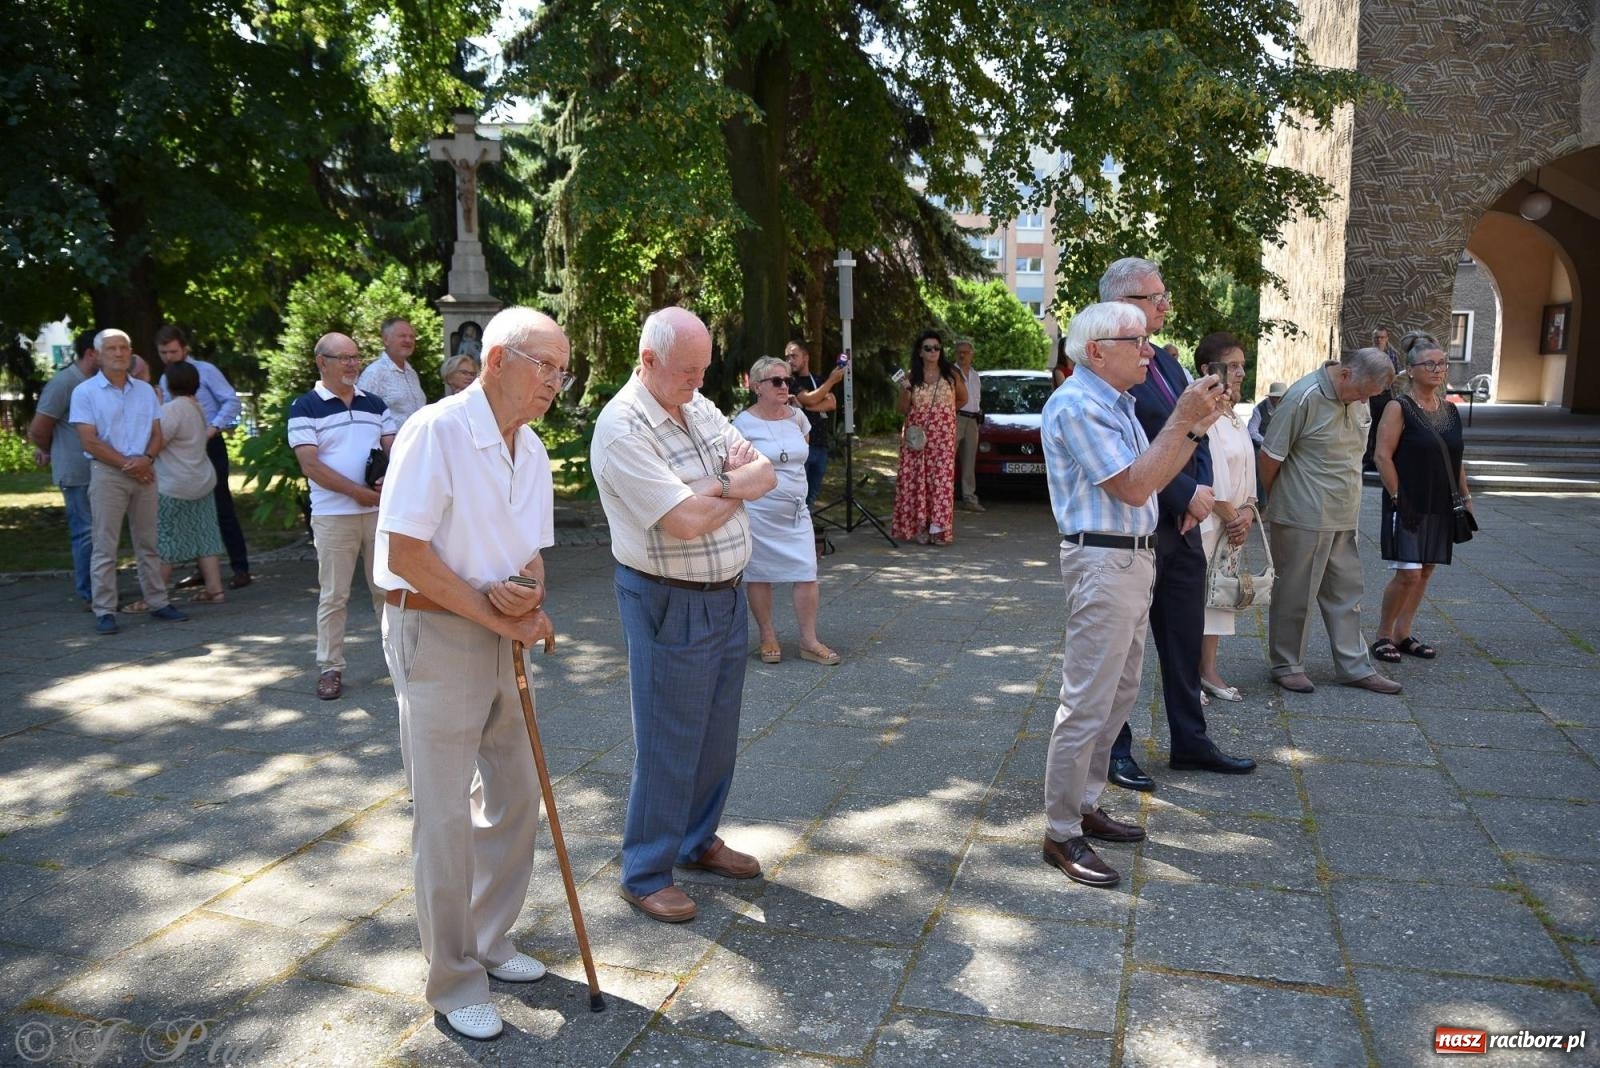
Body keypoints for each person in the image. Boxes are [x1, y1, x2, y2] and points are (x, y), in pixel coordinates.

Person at [373, 307, 566, 1042]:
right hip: (435, 630)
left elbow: (532, 553)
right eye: (543, 364)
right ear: (495, 360)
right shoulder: (438, 430)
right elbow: (407, 552)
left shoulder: (534, 446)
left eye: (561, 368)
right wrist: (501, 614)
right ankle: (453, 979)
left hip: (496, 633)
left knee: (516, 793)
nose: (555, 381)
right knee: (445, 811)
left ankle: (489, 940)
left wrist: (529, 593)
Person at [590, 306, 777, 924]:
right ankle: (645, 871)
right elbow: (684, 521)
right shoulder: (622, 428)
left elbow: (766, 471)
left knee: (717, 735)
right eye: (687, 370)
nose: (700, 382)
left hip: (725, 590)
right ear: (648, 361)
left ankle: (697, 841)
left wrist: (717, 486)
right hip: (670, 597)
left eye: (703, 369)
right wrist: (726, 485)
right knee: (671, 738)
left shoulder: (694, 403)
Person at [1040, 301, 1226, 889]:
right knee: (1087, 700)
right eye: (1137, 340)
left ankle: (1086, 803)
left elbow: (1158, 471)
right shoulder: (1076, 405)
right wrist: (1183, 422)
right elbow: (1133, 485)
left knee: (1118, 694)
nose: (1151, 350)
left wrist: (1192, 425)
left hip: (1132, 556)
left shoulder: (1114, 403)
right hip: (1103, 557)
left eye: (1148, 340)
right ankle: (1060, 830)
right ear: (1096, 350)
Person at [1103, 257, 1254, 788]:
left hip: (1184, 529)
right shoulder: (1109, 367)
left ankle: (1191, 741)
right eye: (1156, 297)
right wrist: (1186, 495)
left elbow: (1200, 428)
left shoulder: (1165, 363)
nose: (1166, 305)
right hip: (1139, 525)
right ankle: (1114, 750)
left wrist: (1203, 491)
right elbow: (1129, 454)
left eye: (1164, 296)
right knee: (1121, 653)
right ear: (1124, 303)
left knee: (1185, 640)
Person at [1260, 347, 1401, 695]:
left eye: (1371, 396)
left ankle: (1353, 666)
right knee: (1296, 594)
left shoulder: (1359, 397)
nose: (1364, 400)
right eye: (1363, 392)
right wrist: (1279, 503)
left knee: (1347, 593)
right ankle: (1287, 664)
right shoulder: (1302, 397)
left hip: (1343, 513)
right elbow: (1269, 458)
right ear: (1345, 373)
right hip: (1301, 514)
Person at [289, 333, 396, 700]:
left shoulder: (375, 403)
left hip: (378, 514)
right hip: (334, 515)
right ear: (322, 362)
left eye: (356, 357)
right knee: (334, 595)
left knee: (386, 588)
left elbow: (393, 449)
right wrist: (362, 493)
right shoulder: (304, 407)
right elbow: (310, 465)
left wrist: (388, 474)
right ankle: (329, 667)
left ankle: (398, 661)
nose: (353, 364)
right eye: (343, 358)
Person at [68, 329, 188, 634]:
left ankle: (158, 602)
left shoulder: (146, 391)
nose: (119, 353)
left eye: (124, 347)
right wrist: (128, 465)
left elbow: (157, 434)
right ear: (96, 355)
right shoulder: (85, 393)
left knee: (148, 541)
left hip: (145, 470)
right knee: (104, 544)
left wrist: (146, 460)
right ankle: (105, 610)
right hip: (109, 473)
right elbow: (89, 441)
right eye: (111, 349)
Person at [1371, 331, 1471, 663]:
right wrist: (1399, 496)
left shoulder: (1451, 411)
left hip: (1440, 501)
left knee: (1426, 569)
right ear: (1410, 370)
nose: (1438, 369)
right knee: (1408, 572)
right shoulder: (1399, 408)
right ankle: (1383, 634)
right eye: (1430, 364)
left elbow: (1456, 458)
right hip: (1408, 500)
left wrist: (1465, 498)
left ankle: (1403, 633)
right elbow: (1382, 456)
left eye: (1443, 363)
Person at [734, 357, 839, 667]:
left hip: (796, 512)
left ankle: (809, 640)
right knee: (759, 575)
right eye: (776, 381)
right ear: (757, 387)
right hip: (760, 513)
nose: (785, 386)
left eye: (787, 380)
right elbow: (737, 468)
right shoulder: (743, 424)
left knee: (807, 572)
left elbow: (798, 457)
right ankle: (768, 636)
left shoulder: (797, 417)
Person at [155, 325, 252, 590]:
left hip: (210, 442)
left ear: (184, 348)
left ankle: (239, 567)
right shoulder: (165, 379)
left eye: (173, 351)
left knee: (221, 506)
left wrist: (212, 428)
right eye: (163, 352)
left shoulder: (206, 371)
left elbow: (231, 401)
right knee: (193, 508)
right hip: (182, 449)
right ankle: (204, 572)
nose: (168, 356)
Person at [1192, 333, 1259, 704]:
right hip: (1207, 520)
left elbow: (1246, 470)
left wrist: (1248, 511)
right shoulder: (1202, 410)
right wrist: (1232, 515)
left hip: (1233, 522)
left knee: (1219, 598)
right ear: (1208, 369)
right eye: (1233, 366)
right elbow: (1206, 472)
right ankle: (1187, 672)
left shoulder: (1234, 413)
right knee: (1194, 598)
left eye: (1243, 367)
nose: (1240, 373)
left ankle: (1209, 670)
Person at [28, 330, 99, 605]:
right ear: (91, 354)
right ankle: (89, 593)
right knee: (86, 532)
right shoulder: (64, 382)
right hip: (76, 471)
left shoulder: (95, 382)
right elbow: (38, 428)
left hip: (98, 469)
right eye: (106, 351)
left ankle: (100, 588)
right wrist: (47, 449)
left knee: (99, 532)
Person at [153, 361, 227, 604]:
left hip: (175, 483)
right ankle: (215, 590)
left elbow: (157, 443)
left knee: (165, 538)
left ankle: (156, 595)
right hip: (201, 479)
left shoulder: (173, 410)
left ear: (169, 383)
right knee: (206, 535)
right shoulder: (197, 407)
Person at [891, 330, 967, 545]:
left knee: (941, 480)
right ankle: (920, 527)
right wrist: (906, 391)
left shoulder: (951, 374)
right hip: (916, 436)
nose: (933, 351)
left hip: (943, 435)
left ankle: (939, 529)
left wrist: (944, 415)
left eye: (937, 347)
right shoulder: (911, 376)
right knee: (916, 480)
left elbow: (963, 398)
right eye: (928, 348)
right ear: (920, 352)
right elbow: (902, 409)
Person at [784, 340, 844, 508]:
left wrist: (808, 405)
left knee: (811, 497)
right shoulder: (789, 382)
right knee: (798, 496)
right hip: (801, 446)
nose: (790, 360)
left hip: (821, 445)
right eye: (787, 356)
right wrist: (830, 382)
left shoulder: (818, 379)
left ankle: (806, 530)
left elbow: (831, 403)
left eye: (794, 356)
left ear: (806, 357)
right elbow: (808, 398)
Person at [357, 317, 428, 429]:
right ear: (386, 340)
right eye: (402, 336)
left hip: (417, 443)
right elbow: (361, 414)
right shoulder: (374, 373)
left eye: (412, 337)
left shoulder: (412, 373)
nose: (408, 340)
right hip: (392, 445)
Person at [1362, 327, 1404, 472]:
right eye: (1376, 337)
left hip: (1385, 395)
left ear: (1387, 338)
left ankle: (1378, 458)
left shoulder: (1392, 355)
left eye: (1382, 337)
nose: (1379, 340)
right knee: (1368, 427)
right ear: (1372, 339)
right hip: (1369, 395)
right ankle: (1367, 458)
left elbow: (1395, 375)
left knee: (1382, 428)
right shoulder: (1367, 355)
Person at [951, 338, 985, 512]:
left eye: (966, 352)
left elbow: (976, 399)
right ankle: (945, 497)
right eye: (959, 352)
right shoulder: (950, 373)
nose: (962, 355)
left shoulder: (975, 374)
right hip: (955, 418)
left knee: (969, 461)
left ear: (972, 354)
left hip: (972, 419)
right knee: (948, 459)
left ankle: (969, 498)